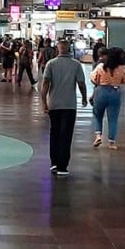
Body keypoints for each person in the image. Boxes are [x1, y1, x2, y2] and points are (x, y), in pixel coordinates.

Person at [40, 40, 88, 177]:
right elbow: (81, 83)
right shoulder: (76, 65)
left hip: (54, 104)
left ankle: (54, 162)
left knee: (54, 133)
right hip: (69, 105)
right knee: (66, 135)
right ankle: (63, 166)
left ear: (58, 49)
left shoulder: (51, 64)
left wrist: (44, 103)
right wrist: (84, 98)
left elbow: (45, 85)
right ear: (69, 49)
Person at [89, 48, 125, 150]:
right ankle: (112, 143)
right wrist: (119, 81)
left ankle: (98, 136)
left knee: (98, 115)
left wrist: (100, 82)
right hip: (115, 92)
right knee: (113, 119)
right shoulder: (122, 68)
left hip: (101, 91)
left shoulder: (101, 66)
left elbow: (92, 78)